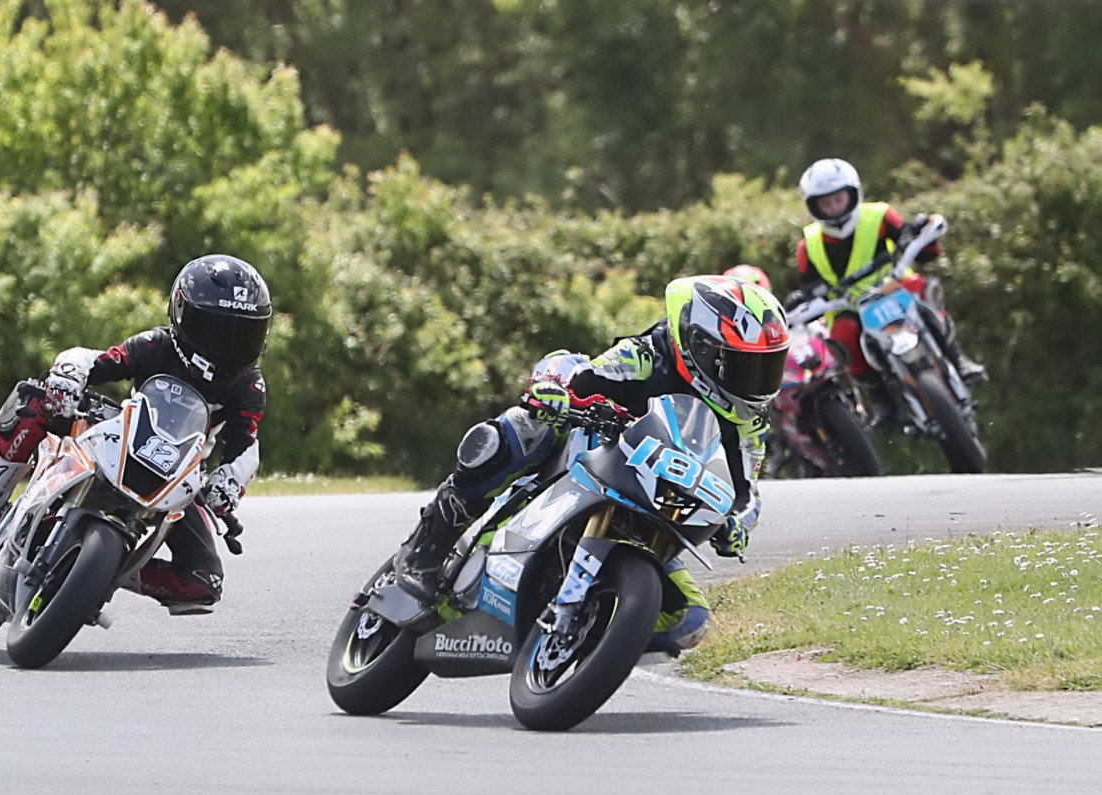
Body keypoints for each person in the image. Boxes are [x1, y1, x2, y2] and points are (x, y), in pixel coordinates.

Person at [395, 275, 790, 652]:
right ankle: (427, 547)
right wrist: (554, 388)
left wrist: (736, 523)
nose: (756, 382)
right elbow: (579, 369)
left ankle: (596, 634)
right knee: (520, 432)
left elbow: (746, 493)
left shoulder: (750, 421)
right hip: (594, 455)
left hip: (653, 509)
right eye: (742, 365)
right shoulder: (649, 353)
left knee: (690, 619)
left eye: (767, 367)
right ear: (698, 346)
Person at [0, 254, 272, 615]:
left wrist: (228, 482)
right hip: (124, 434)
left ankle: (106, 575)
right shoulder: (156, 345)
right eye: (216, 331)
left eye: (243, 336)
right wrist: (68, 377)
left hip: (179, 473)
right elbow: (97, 360)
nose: (227, 348)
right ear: (182, 313)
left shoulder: (249, 386)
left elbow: (246, 446)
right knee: (36, 401)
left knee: (203, 582)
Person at [793, 157, 986, 428]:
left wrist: (919, 233)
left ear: (853, 194)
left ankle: (957, 358)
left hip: (893, 286)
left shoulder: (880, 215)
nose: (834, 208)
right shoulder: (808, 245)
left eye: (839, 199)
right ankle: (882, 401)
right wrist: (804, 300)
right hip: (849, 306)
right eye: (826, 203)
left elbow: (917, 244)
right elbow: (809, 288)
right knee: (842, 339)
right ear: (814, 206)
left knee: (923, 290)